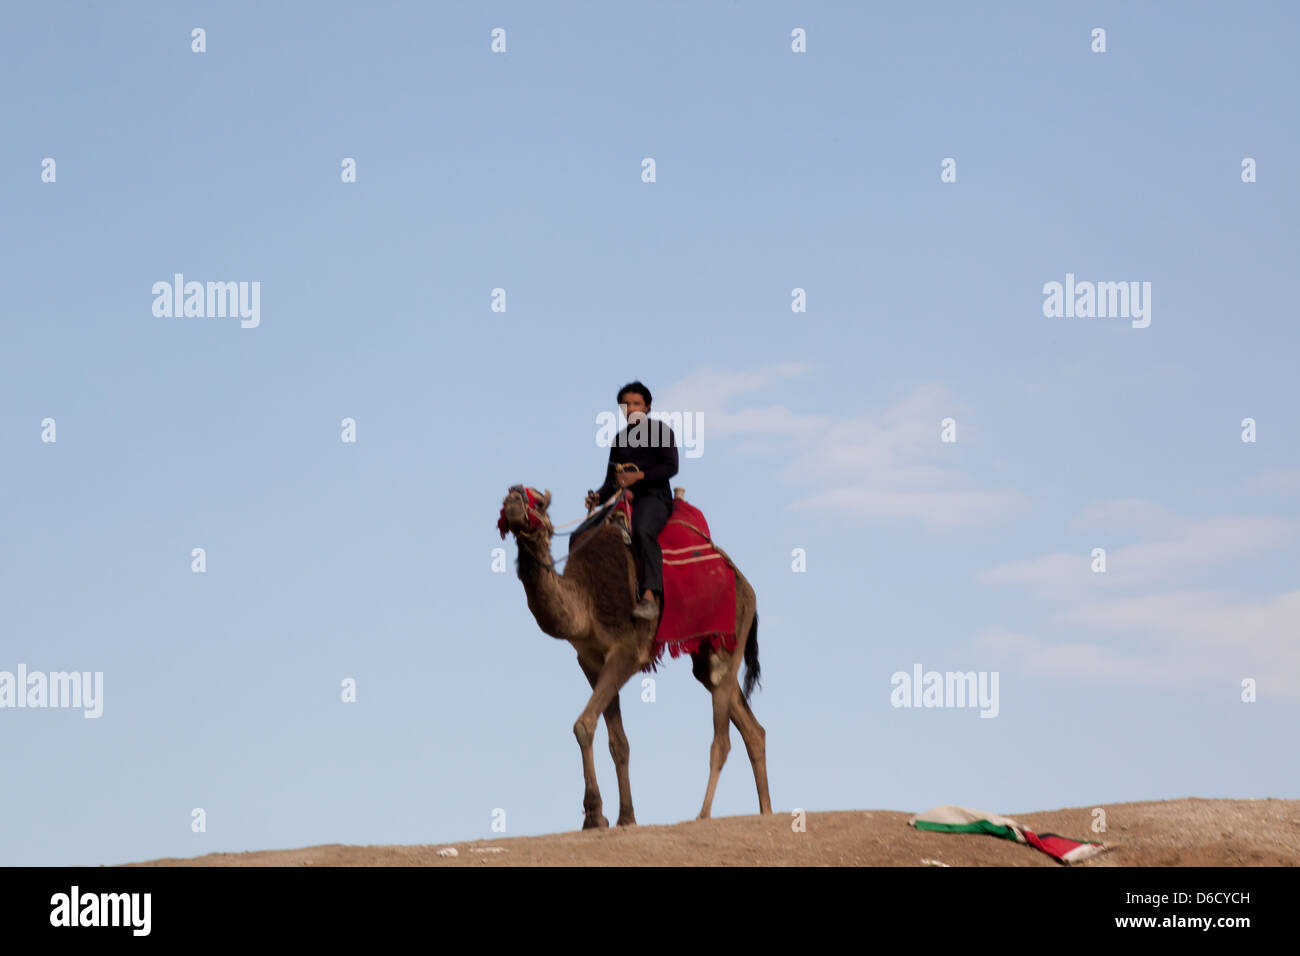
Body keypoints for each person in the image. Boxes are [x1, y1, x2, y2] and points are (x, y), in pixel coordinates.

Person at [584, 381, 678, 620]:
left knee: (643, 530)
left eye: (636, 403)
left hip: (655, 498)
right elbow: (610, 482)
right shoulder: (618, 441)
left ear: (646, 407)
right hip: (622, 500)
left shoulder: (661, 431)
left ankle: (649, 595)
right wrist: (597, 497)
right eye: (626, 404)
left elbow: (671, 467)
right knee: (583, 534)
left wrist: (639, 476)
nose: (631, 408)